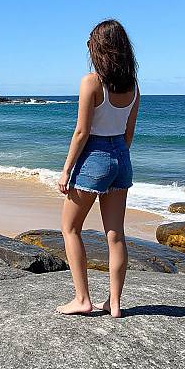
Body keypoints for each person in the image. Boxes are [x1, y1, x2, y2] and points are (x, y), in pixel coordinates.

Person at [57, 19, 140, 319]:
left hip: (95, 155)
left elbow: (81, 132)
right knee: (115, 234)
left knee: (70, 228)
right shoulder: (132, 86)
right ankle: (114, 303)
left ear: (100, 49)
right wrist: (118, 159)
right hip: (121, 157)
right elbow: (129, 132)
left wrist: (66, 170)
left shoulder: (91, 82)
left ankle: (82, 299)